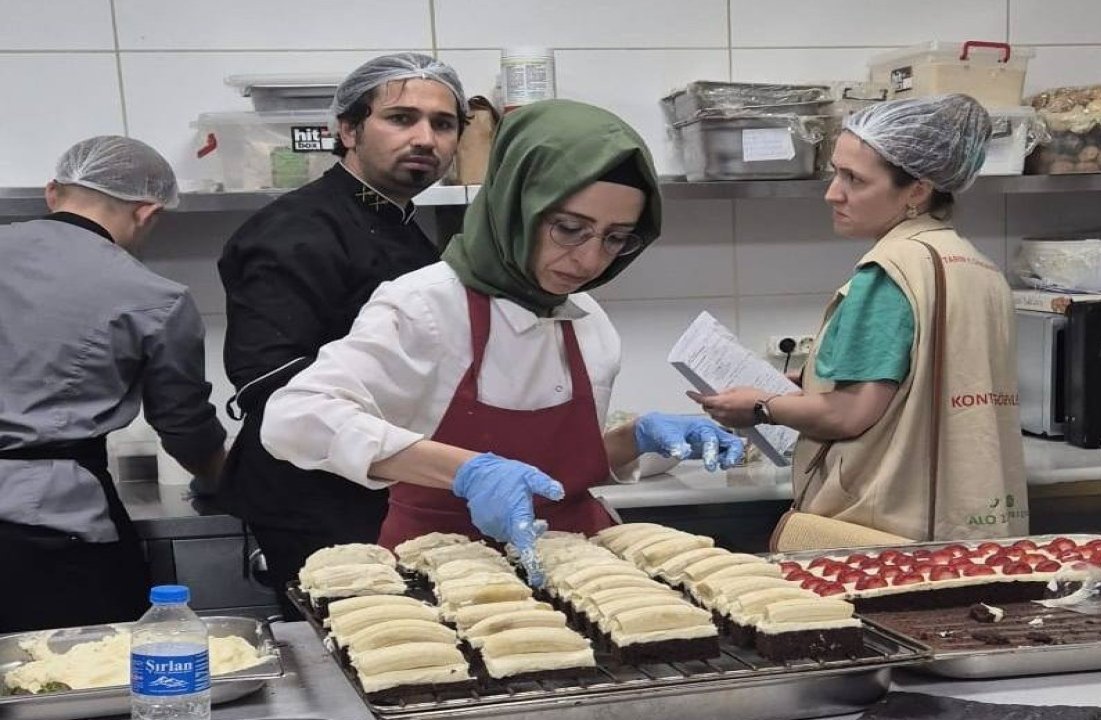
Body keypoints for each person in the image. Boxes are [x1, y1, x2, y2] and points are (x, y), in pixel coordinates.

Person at [259, 99, 743, 576]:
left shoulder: (585, 317)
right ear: (517, 204)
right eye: (571, 229)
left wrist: (635, 440)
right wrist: (467, 472)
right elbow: (294, 416)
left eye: (616, 238)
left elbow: (558, 472)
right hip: (443, 570)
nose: (591, 261)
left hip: (574, 568)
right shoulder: (426, 305)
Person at [692, 95, 1028, 542]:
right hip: (975, 523)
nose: (833, 192)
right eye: (836, 171)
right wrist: (810, 390)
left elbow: (849, 415)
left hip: (889, 533)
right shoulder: (977, 267)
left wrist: (759, 407)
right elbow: (922, 387)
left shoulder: (888, 271)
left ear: (917, 190)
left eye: (854, 179)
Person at [217, 53, 466, 611]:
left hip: (383, 483)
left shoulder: (404, 225)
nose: (425, 137)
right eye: (401, 118)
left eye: (442, 124)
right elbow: (267, 381)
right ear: (347, 129)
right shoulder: (295, 231)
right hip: (315, 495)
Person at [0, 136, 226, 632]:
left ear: (52, 191)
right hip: (51, 527)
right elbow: (184, 425)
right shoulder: (154, 297)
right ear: (148, 213)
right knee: (75, 678)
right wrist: (222, 479)